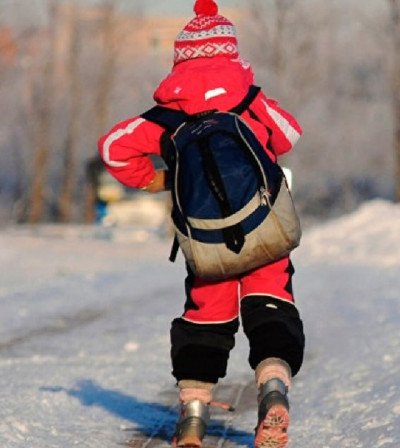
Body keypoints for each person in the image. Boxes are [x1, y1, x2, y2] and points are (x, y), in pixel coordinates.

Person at [97, 1, 305, 447]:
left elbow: (113, 148)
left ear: (181, 58)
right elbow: (290, 134)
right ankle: (272, 393)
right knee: (271, 307)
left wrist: (156, 180)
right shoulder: (250, 98)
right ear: (231, 54)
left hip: (206, 243)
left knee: (206, 318)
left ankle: (192, 418)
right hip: (264, 230)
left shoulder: (167, 115)